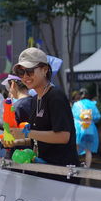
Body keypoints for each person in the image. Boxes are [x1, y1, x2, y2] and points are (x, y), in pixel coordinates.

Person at [9, 47, 80, 181]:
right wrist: (13, 142)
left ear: (45, 69)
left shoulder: (55, 96)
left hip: (62, 173)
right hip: (44, 170)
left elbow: (63, 136)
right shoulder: (36, 98)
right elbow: (38, 136)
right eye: (20, 72)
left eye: (29, 71)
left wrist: (26, 133)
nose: (25, 76)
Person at [72, 88, 101, 167]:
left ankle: (75, 166)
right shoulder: (92, 104)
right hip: (90, 129)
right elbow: (97, 117)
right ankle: (87, 169)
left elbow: (72, 116)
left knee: (76, 149)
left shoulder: (76, 104)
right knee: (88, 150)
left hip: (78, 129)